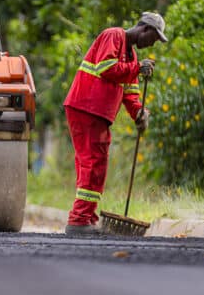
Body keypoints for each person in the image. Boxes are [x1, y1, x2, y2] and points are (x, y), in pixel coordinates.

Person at [63, 12, 168, 235]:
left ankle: (86, 218)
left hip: (97, 113)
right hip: (86, 107)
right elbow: (106, 68)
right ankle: (79, 220)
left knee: (95, 164)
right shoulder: (114, 35)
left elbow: (130, 93)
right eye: (153, 39)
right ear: (145, 29)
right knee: (92, 163)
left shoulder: (131, 58)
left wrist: (139, 113)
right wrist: (137, 69)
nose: (152, 45)